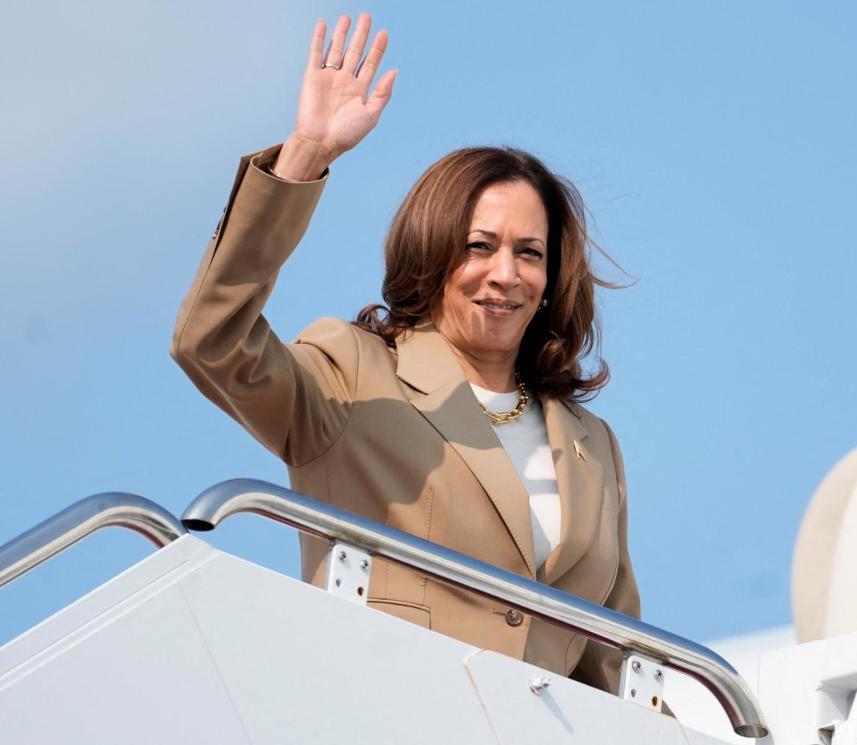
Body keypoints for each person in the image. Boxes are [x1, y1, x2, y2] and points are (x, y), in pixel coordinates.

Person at [171, 13, 638, 694]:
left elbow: (614, 667)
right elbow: (209, 340)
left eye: (529, 253)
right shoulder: (352, 373)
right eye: (480, 246)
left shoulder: (594, 448)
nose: (505, 273)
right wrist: (303, 156)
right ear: (433, 250)